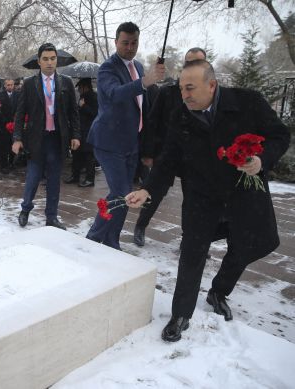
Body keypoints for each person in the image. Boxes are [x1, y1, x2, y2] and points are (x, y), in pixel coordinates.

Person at [126, 60, 290, 342]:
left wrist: (261, 160)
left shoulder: (248, 102)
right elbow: (167, 161)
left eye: (190, 88)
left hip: (244, 195)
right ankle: (181, 314)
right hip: (203, 196)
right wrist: (147, 189)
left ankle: (218, 291)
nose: (184, 94)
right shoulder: (181, 114)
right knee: (192, 251)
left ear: (212, 85)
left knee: (253, 244)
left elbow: (280, 135)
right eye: (181, 88)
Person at [85, 22, 165, 250]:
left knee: (125, 196)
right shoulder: (107, 68)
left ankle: (112, 241)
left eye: (134, 43)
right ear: (116, 42)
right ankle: (92, 240)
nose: (130, 47)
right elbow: (114, 94)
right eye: (125, 43)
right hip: (108, 142)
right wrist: (144, 82)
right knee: (121, 193)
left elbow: (144, 106)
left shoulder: (138, 66)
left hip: (132, 143)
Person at [133, 47, 207, 247]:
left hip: (194, 157)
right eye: (189, 62)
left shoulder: (210, 93)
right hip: (166, 153)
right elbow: (152, 122)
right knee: (154, 192)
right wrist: (148, 153)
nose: (193, 66)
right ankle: (140, 226)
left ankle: (189, 238)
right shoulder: (168, 92)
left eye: (198, 62)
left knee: (193, 200)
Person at [12, 42, 81, 230]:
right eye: (45, 59)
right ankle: (25, 209)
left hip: (57, 139)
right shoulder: (29, 84)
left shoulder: (65, 82)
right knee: (33, 177)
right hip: (36, 139)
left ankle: (51, 216)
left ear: (56, 60)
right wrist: (17, 138)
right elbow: (20, 113)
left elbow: (74, 113)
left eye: (53, 59)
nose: (50, 62)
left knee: (54, 180)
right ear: (39, 61)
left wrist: (75, 135)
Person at [64, 78, 98, 187]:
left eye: (80, 87)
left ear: (85, 87)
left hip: (89, 131)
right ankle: (75, 175)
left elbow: (95, 113)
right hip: (80, 130)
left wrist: (84, 106)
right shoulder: (83, 97)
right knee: (77, 154)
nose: (78, 90)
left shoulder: (94, 97)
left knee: (89, 156)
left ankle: (89, 179)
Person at [0, 78, 18, 174]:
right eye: (8, 85)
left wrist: (15, 120)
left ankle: (12, 163)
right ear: (5, 86)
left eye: (11, 85)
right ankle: (4, 165)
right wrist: (5, 121)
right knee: (4, 146)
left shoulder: (17, 95)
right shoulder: (0, 95)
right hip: (4, 124)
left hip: (15, 123)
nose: (10, 86)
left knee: (13, 144)